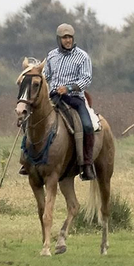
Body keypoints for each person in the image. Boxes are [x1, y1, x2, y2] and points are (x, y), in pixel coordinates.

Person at [43, 23, 96, 180]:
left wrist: (68, 88)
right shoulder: (51, 55)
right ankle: (27, 160)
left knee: (87, 125)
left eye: (70, 37)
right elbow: (46, 75)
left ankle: (86, 164)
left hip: (74, 99)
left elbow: (86, 79)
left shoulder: (82, 56)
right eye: (65, 38)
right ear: (59, 39)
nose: (68, 40)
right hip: (52, 97)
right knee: (31, 117)